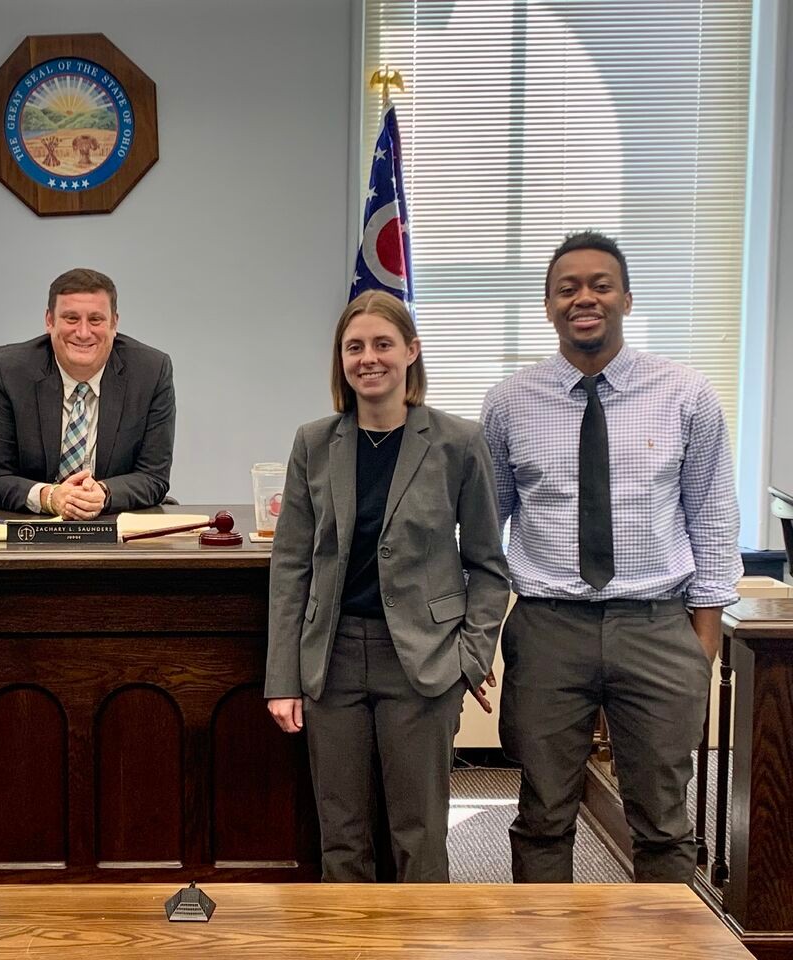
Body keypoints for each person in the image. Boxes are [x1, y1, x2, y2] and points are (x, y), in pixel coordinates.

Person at [481, 230, 742, 883]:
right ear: (548, 306)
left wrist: (699, 645)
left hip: (655, 627)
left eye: (600, 283)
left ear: (626, 296)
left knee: (662, 824)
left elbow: (712, 517)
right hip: (548, 629)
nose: (584, 297)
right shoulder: (510, 402)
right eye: (567, 288)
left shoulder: (686, 395)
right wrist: (477, 636)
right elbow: (485, 530)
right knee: (542, 816)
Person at [265, 290, 510, 882]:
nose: (368, 358)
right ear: (340, 361)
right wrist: (283, 678)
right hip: (333, 658)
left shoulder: (457, 442)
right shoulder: (315, 443)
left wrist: (468, 660)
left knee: (418, 833)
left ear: (411, 351)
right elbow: (292, 564)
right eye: (355, 347)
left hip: (423, 664)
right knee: (342, 836)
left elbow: (488, 564)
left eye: (382, 344)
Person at [0, 268, 175, 517]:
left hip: (115, 525)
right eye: (71, 319)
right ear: (50, 321)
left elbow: (153, 477)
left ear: (114, 323)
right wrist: (50, 496)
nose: (83, 333)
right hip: (32, 529)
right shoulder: (8, 372)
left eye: (95, 320)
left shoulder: (151, 372)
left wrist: (103, 493)